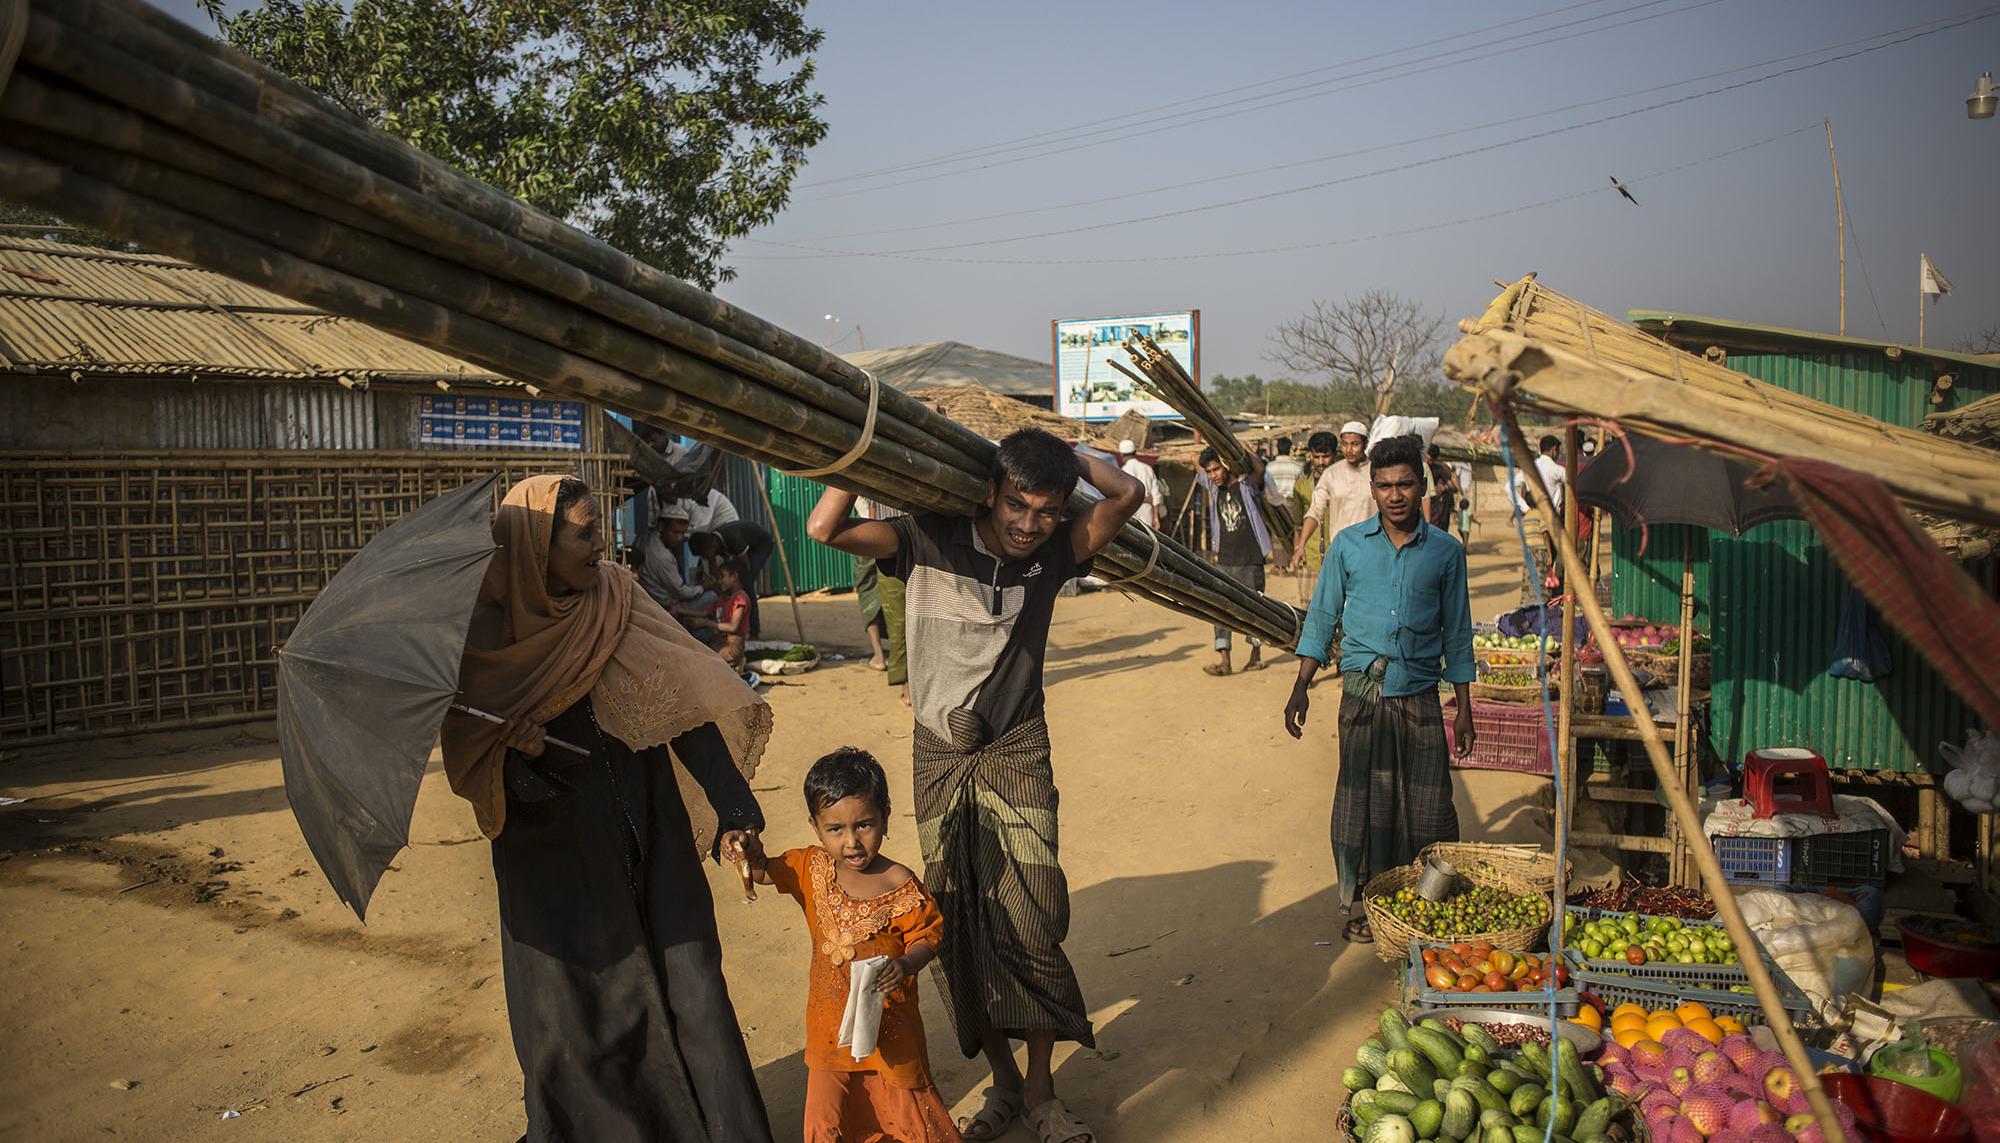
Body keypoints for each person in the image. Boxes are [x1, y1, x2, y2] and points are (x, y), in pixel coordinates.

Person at [805, 428, 1143, 1143]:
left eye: (1047, 510)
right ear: (990, 490)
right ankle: (1005, 1082)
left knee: (1035, 913)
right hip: (938, 753)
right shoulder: (927, 538)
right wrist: (868, 445)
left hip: (1018, 749)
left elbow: (1129, 492)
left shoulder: (1055, 552)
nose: (1029, 524)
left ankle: (1044, 1090)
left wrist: (1067, 454)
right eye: (1017, 503)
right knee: (956, 920)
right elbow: (823, 526)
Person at [442, 474, 776, 1140]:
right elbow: (473, 760)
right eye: (584, 532)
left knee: (694, 988)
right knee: (581, 1018)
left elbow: (683, 706)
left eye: (601, 526)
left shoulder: (619, 599)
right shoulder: (485, 642)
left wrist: (734, 811)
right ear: (535, 543)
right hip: (555, 853)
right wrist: (525, 753)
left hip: (651, 826)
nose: (603, 544)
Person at [1281, 435, 1476, 944]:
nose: (1395, 495)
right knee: (1364, 803)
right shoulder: (1347, 546)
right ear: (1373, 488)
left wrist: (1465, 707)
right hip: (1363, 695)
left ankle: (1423, 902)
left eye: (1405, 484)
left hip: (1419, 695)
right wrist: (1301, 683)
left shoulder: (1446, 553)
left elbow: (1457, 631)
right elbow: (1322, 617)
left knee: (1428, 805)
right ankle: (1364, 904)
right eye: (1385, 485)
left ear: (1421, 486)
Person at [730, 749, 959, 1143]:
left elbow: (928, 935)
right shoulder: (811, 869)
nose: (851, 842)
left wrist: (905, 965)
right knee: (828, 1116)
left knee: (907, 1111)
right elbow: (763, 869)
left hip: (890, 1027)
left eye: (864, 825)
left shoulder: (900, 884)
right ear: (815, 827)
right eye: (835, 829)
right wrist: (744, 849)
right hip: (828, 1029)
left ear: (885, 816)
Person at [1195, 445, 1269, 676]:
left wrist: (1243, 450)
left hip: (1250, 558)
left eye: (1216, 469)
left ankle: (1255, 656)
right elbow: (1193, 462)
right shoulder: (1213, 488)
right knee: (1220, 609)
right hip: (1224, 558)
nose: (1213, 475)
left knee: (1254, 608)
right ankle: (1224, 660)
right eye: (1209, 471)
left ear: (1226, 465)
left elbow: (1259, 470)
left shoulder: (1246, 486)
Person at [1292, 420, 1375, 578]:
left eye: (1354, 444)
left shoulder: (1376, 471)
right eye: (1345, 444)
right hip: (1341, 552)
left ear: (1365, 444)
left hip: (1371, 551)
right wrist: (1301, 545)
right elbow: (1315, 510)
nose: (1349, 449)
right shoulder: (1332, 474)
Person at [691, 518, 776, 638]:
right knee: (728, 582)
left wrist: (736, 587)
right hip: (746, 547)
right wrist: (719, 582)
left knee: (746, 583)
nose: (708, 558)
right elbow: (718, 573)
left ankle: (754, 631)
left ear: (713, 545)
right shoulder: (714, 542)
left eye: (707, 555)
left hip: (761, 546)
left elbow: (745, 567)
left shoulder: (732, 538)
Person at [637, 503, 712, 622]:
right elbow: (681, 592)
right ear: (661, 527)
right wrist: (703, 587)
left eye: (682, 533)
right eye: (675, 532)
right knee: (711, 597)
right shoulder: (662, 555)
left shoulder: (645, 538)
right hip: (663, 606)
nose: (679, 538)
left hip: (653, 599)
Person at [687, 557, 752, 669]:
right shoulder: (722, 598)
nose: (719, 581)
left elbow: (733, 627)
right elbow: (705, 612)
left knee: (705, 664)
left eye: (722, 577)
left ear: (734, 577)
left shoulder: (740, 598)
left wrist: (705, 623)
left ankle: (736, 661)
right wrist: (680, 609)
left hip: (732, 647)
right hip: (719, 642)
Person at [1117, 439, 1166, 529]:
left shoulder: (1123, 470)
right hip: (1147, 510)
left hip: (1131, 510)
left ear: (1122, 455)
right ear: (1135, 452)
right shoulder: (1147, 468)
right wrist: (1156, 517)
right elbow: (1156, 495)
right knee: (1147, 537)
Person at [1424, 443, 1458, 535]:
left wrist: (1443, 488)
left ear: (1434, 460)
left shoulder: (1440, 469)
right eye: (1426, 458)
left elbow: (1454, 488)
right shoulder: (1421, 466)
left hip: (1439, 505)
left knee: (1438, 529)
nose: (1427, 461)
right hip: (1427, 501)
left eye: (1430, 460)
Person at [1451, 459, 1476, 537]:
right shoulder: (1459, 463)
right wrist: (1459, 488)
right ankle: (1455, 518)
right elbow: (1457, 477)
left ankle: (1465, 521)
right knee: (1460, 505)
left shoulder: (1469, 464)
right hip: (1463, 486)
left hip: (1469, 486)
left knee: (1468, 506)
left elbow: (1470, 476)